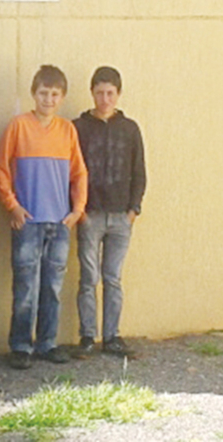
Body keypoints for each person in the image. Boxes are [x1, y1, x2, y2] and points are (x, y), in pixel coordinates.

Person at [0, 64, 88, 370]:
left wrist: (77, 210)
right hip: (28, 221)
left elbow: (79, 173)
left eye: (55, 94)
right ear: (34, 94)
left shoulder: (67, 130)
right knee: (26, 287)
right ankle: (21, 345)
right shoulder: (18, 126)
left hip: (59, 223)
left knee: (52, 287)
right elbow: (0, 168)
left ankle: (47, 342)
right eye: (43, 93)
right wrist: (12, 206)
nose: (49, 99)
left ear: (62, 97)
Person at [72, 66, 146, 359]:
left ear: (118, 94)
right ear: (92, 93)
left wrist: (133, 210)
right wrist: (79, 209)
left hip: (120, 216)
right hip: (90, 214)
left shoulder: (130, 129)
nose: (104, 99)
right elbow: (71, 170)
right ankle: (88, 336)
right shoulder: (78, 127)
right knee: (88, 277)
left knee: (113, 277)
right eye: (100, 93)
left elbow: (139, 171)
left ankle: (112, 336)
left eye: (110, 93)